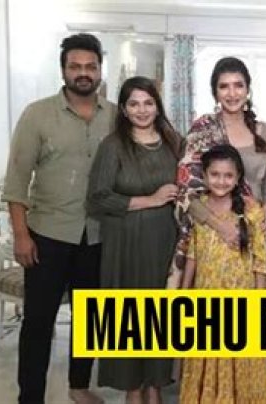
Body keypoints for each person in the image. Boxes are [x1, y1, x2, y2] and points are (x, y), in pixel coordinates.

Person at [2, 33, 116, 404]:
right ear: (63, 70)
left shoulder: (115, 116)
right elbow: (17, 180)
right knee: (38, 322)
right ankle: (30, 397)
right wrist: (21, 235)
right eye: (75, 66)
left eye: (90, 66)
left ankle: (78, 386)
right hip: (47, 235)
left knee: (88, 319)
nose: (83, 73)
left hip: (97, 236)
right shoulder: (37, 115)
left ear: (100, 70)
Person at [87, 76, 182, 404]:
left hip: (165, 244)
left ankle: (155, 384)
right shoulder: (112, 146)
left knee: (161, 316)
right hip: (125, 247)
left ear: (158, 106)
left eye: (148, 103)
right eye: (134, 104)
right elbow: (97, 198)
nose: (142, 110)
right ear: (124, 110)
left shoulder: (173, 142)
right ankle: (133, 387)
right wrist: (150, 200)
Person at [178, 144, 266, 404]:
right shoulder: (200, 208)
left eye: (228, 175)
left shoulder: (250, 209)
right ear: (205, 175)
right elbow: (193, 253)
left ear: (237, 178)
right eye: (215, 174)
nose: (221, 181)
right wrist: (184, 291)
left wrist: (259, 300)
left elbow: (261, 259)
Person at [170, 56, 266, 285]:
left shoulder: (264, 133)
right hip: (211, 233)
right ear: (215, 93)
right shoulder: (203, 130)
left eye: (238, 85)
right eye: (224, 86)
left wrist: (264, 213)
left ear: (248, 90)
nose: (232, 93)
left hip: (253, 231)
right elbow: (186, 191)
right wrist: (221, 226)